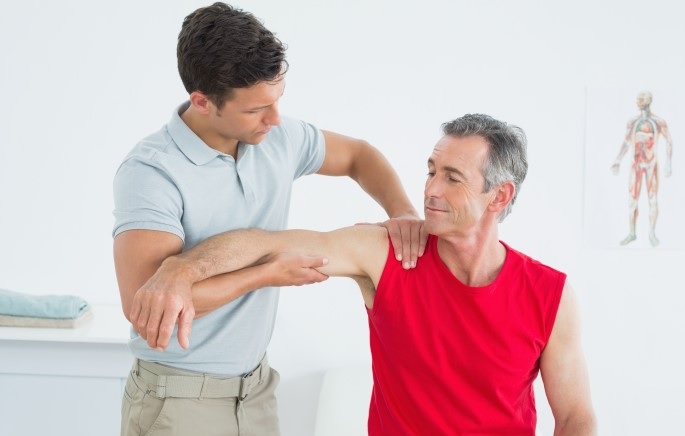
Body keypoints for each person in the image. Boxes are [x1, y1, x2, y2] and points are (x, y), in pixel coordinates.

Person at [137, 114, 598, 435]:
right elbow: (268, 243)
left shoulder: (551, 295)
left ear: (499, 196)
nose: (431, 189)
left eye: (453, 178)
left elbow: (575, 417)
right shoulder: (386, 253)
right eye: (431, 170)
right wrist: (182, 267)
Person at [112, 3, 425, 436]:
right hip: (178, 400)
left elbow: (359, 155)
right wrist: (265, 274)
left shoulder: (275, 135)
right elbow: (146, 309)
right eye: (256, 109)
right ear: (202, 102)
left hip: (256, 390)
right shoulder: (152, 172)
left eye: (277, 100)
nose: (274, 119)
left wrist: (404, 212)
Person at [611, 91, 673, 247]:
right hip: (636, 164)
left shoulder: (658, 122)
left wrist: (668, 163)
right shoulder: (632, 122)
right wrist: (618, 160)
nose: (638, 102)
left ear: (648, 102)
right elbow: (626, 142)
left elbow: (669, 141)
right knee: (632, 200)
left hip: (651, 164)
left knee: (652, 199)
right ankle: (632, 233)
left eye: (641, 100)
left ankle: (652, 233)